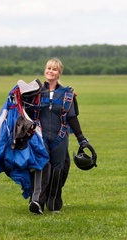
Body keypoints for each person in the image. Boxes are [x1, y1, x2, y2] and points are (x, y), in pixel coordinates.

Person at [24, 57, 90, 214]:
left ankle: (54, 203)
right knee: (41, 165)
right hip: (40, 136)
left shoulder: (67, 94)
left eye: (54, 69)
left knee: (58, 169)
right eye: (48, 68)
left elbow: (72, 117)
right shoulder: (35, 91)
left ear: (59, 73)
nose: (50, 71)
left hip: (60, 137)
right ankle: (36, 201)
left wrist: (81, 138)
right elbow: (26, 113)